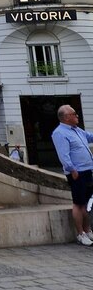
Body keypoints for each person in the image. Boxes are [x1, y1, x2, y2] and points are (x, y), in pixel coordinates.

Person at [51, 104, 93, 246]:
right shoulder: (60, 133)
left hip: (87, 170)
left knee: (85, 203)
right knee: (78, 203)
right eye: (74, 113)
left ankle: (88, 230)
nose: (77, 116)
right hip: (77, 173)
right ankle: (80, 233)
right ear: (67, 117)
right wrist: (72, 170)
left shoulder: (76, 130)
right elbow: (63, 155)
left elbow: (89, 137)